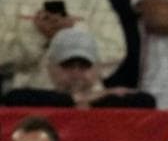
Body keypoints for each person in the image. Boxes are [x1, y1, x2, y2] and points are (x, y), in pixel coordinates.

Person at [2, 28, 155, 108]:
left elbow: (146, 101)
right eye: (67, 66)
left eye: (84, 66)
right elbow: (13, 98)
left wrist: (100, 98)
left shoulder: (109, 100)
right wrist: (78, 99)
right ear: (50, 68)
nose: (76, 74)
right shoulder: (35, 100)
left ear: (97, 69)